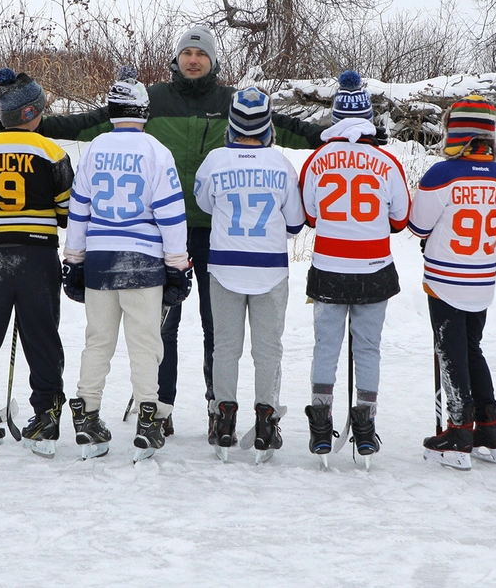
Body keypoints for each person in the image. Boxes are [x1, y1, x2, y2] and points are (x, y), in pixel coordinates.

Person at [39, 26, 323, 435]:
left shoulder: (229, 101)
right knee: (161, 325)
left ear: (213, 61)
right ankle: (161, 406)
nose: (193, 59)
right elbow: (98, 122)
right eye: (187, 53)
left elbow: (281, 127)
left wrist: (330, 135)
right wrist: (40, 126)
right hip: (160, 233)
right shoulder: (154, 99)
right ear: (176, 59)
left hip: (217, 234)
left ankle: (216, 407)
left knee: (216, 325)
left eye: (201, 54)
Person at [62, 67, 190, 461]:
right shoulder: (156, 151)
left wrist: (74, 260)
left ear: (112, 110)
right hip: (144, 261)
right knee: (145, 342)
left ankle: (87, 414)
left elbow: (78, 211)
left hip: (100, 259)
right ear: (144, 111)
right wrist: (177, 265)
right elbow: (170, 214)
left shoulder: (95, 149)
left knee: (98, 340)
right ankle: (148, 418)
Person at [0, 69, 74, 457]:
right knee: (42, 336)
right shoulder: (51, 151)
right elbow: (66, 210)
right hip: (38, 255)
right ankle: (46, 418)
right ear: (32, 112)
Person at [300, 72, 410, 467]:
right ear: (368, 117)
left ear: (334, 118)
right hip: (373, 270)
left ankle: (319, 425)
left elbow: (310, 215)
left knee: (325, 346)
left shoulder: (317, 159)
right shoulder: (387, 161)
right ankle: (364, 427)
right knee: (368, 347)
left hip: (329, 267)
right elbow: (401, 219)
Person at [193, 87, 304, 461]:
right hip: (269, 269)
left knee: (226, 346)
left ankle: (223, 419)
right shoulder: (281, 165)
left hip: (224, 265)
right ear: (268, 125)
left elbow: (204, 203)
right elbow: (294, 224)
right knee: (268, 349)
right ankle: (266, 422)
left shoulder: (214, 160)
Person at [408, 95, 496, 469]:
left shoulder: (442, 173)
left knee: (450, 352)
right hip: (482, 279)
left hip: (445, 280)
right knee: (472, 349)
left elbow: (418, 225)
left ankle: (458, 431)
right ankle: (489, 429)